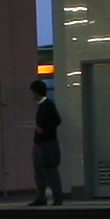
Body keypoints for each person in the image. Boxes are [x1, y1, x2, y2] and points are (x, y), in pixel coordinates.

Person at [30, 78, 65, 206]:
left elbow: (56, 121)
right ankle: (43, 197)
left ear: (37, 92)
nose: (32, 95)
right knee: (43, 171)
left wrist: (43, 129)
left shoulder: (47, 105)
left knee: (49, 171)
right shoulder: (44, 105)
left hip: (46, 144)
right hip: (43, 143)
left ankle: (54, 197)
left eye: (33, 92)